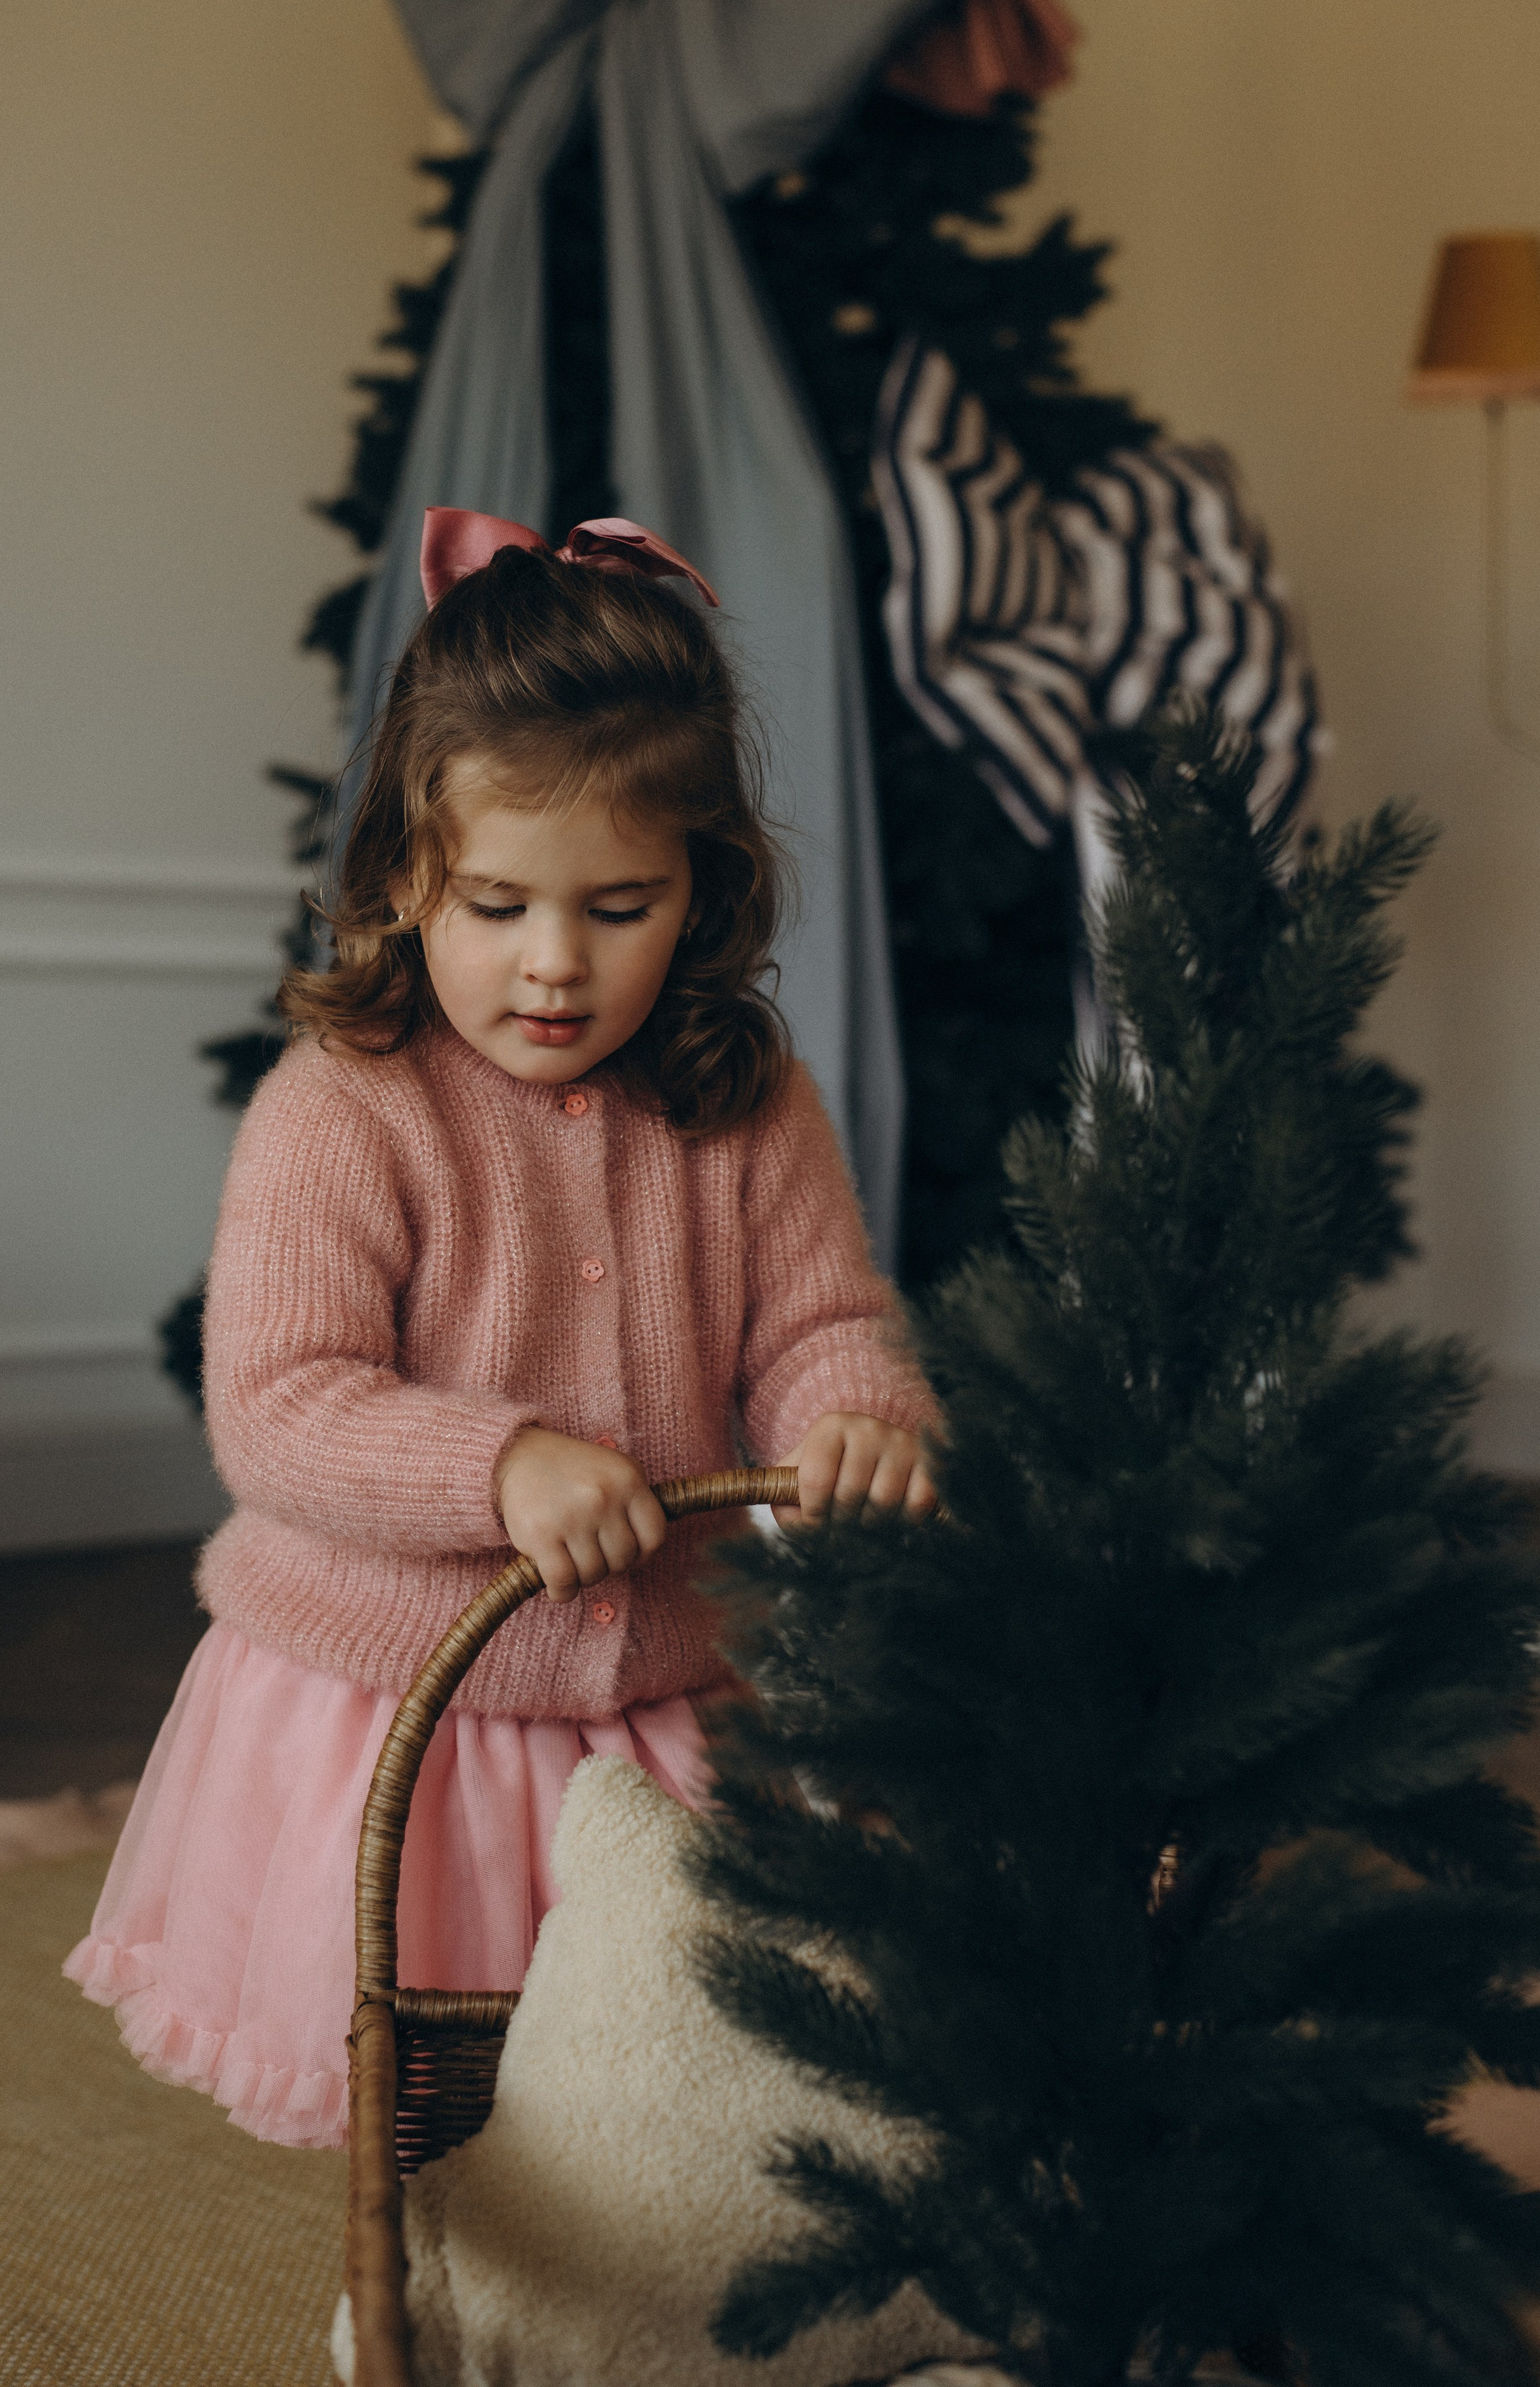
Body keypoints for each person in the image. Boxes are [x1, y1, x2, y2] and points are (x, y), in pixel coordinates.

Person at [63, 509, 937, 2150]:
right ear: (405, 877)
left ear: (702, 888)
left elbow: (821, 1322)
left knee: (681, 2072)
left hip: (665, 1686)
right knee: (447, 2079)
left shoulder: (748, 1105)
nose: (554, 965)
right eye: (496, 905)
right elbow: (278, 1402)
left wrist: (856, 1414)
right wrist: (499, 1462)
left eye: (619, 906)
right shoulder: (347, 1110)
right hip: (404, 1709)